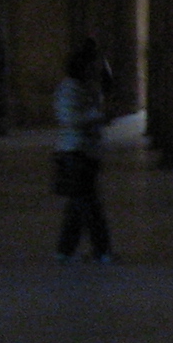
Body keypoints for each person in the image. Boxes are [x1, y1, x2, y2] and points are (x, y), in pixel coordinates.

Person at [53, 37, 114, 262]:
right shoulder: (68, 89)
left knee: (78, 206)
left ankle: (64, 251)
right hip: (75, 153)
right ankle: (102, 250)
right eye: (92, 65)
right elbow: (70, 118)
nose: (95, 69)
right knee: (89, 205)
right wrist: (98, 116)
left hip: (87, 152)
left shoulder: (86, 88)